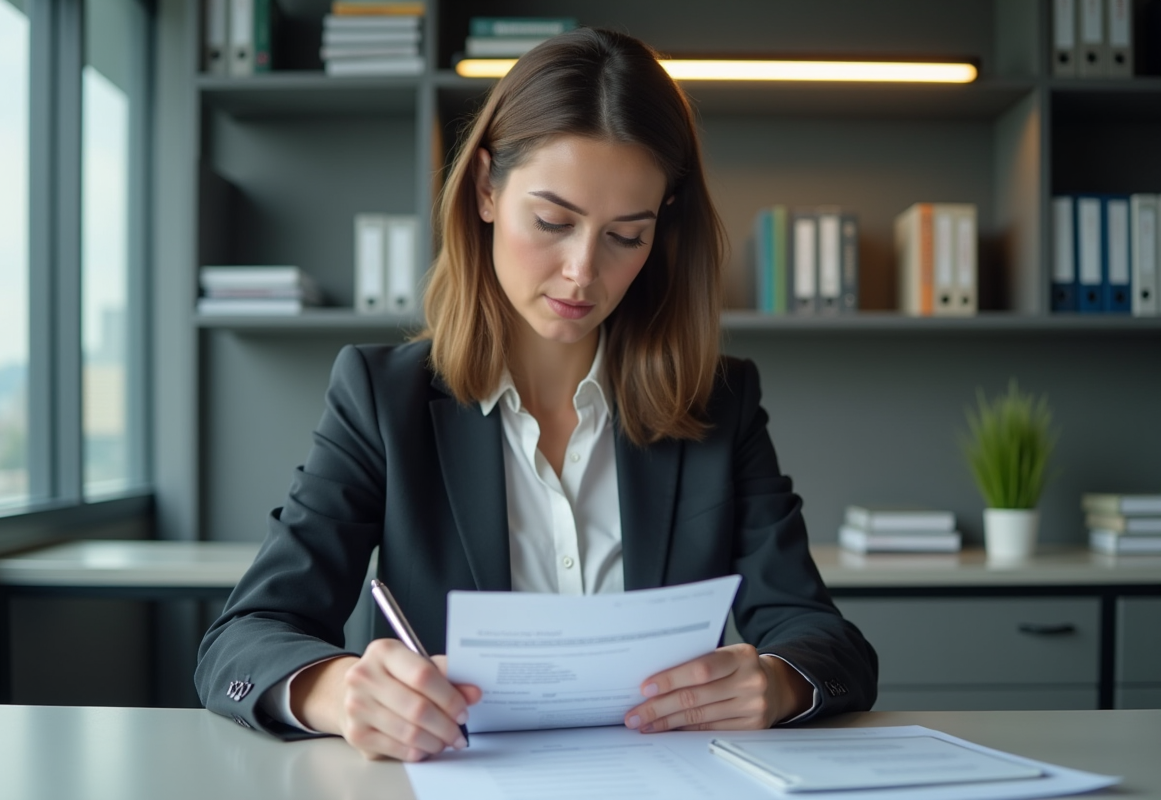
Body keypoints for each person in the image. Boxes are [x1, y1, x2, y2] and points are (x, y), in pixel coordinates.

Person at [196, 27, 878, 762]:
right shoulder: (380, 399)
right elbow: (241, 642)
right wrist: (339, 690)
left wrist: (776, 683)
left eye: (627, 236)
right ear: (487, 189)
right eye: (553, 222)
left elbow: (828, 643)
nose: (583, 272)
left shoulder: (720, 401)